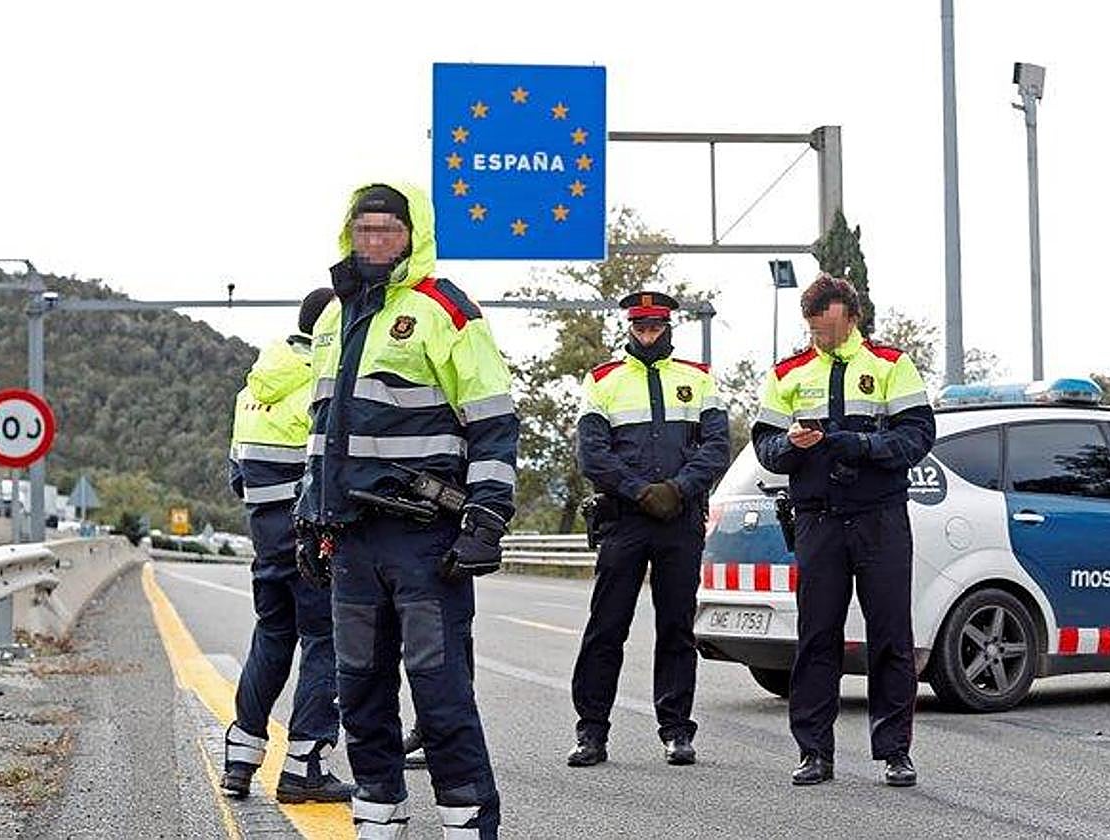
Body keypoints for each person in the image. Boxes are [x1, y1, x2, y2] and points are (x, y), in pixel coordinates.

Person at [294, 182, 517, 839]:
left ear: (412, 236)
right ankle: (379, 816)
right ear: (348, 234)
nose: (375, 242)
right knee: (359, 691)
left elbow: (494, 421)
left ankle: (468, 823)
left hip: (426, 540)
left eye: (388, 231)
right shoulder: (335, 316)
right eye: (364, 230)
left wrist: (486, 517)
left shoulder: (445, 310)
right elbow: (321, 429)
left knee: (439, 694)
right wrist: (311, 514)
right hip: (353, 540)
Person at [752, 273, 935, 788]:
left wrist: (861, 446)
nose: (822, 340)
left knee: (891, 636)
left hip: (879, 517)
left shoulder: (892, 365)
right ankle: (814, 752)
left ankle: (895, 751)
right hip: (818, 519)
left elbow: (919, 434)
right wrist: (793, 447)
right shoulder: (787, 372)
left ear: (852, 317)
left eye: (829, 330)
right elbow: (764, 447)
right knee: (816, 637)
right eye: (814, 331)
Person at [567, 291, 731, 768]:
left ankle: (677, 730)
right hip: (626, 519)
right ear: (629, 328)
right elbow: (592, 454)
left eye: (656, 326)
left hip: (680, 520)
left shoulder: (698, 379)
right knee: (606, 627)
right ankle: (591, 732)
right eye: (640, 327)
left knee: (677, 628)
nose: (648, 334)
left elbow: (717, 447)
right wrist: (641, 491)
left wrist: (677, 490)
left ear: (669, 327)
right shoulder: (603, 380)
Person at [222, 287, 354, 803]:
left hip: (266, 540)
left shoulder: (252, 390)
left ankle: (240, 759)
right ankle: (305, 766)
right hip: (314, 538)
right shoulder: (327, 383)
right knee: (326, 642)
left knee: (271, 638)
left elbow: (237, 476)